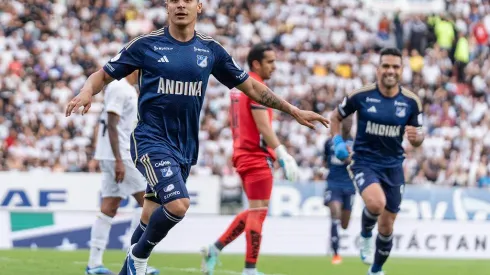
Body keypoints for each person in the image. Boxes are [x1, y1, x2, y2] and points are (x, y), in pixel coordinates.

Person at [65, 1, 329, 274]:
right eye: (175, 0)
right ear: (167, 6)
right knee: (178, 205)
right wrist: (87, 91)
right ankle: (137, 257)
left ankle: (129, 268)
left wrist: (293, 110)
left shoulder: (210, 50)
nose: (181, 4)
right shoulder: (146, 45)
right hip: (150, 141)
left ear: (199, 7)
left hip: (185, 149)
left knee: (148, 216)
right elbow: (102, 75)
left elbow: (251, 87)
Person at [200, 43, 299, 275]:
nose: (274, 66)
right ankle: (250, 269)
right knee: (258, 212)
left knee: (255, 210)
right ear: (256, 63)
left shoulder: (238, 87)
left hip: (242, 154)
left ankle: (214, 249)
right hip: (255, 156)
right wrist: (283, 153)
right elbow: (263, 127)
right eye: (270, 61)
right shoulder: (256, 87)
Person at [329, 47, 424, 275]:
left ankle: (376, 270)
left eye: (395, 67)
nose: (390, 71)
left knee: (387, 225)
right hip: (364, 161)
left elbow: (418, 137)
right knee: (375, 204)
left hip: (393, 166)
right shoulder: (360, 96)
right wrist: (338, 143)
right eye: (386, 66)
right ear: (378, 69)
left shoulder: (411, 102)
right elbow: (335, 117)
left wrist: (418, 139)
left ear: (401, 70)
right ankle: (364, 235)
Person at [87, 71, 159, 275]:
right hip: (121, 155)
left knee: (109, 207)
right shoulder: (121, 88)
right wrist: (119, 159)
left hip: (112, 154)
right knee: (149, 204)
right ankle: (136, 260)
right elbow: (112, 122)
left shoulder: (122, 88)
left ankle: (93, 264)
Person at [323, 118, 355, 265]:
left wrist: (350, 159)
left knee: (344, 224)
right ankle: (336, 254)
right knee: (334, 213)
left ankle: (335, 241)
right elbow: (325, 161)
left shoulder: (356, 144)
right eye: (346, 122)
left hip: (349, 186)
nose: (348, 124)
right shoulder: (330, 143)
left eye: (351, 122)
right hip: (333, 184)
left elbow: (358, 163)